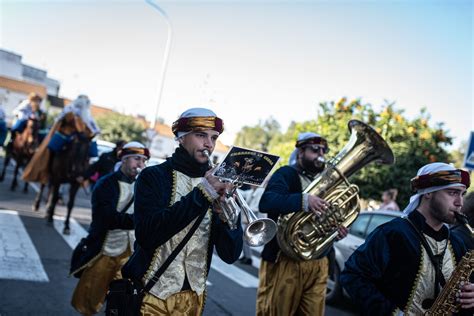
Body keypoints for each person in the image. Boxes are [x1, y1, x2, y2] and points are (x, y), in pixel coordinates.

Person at [122, 108, 243, 315]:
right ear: (181, 137)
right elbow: (147, 235)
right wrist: (202, 193)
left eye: (214, 137)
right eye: (200, 135)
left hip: (194, 298)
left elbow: (230, 255)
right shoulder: (153, 176)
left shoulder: (219, 183)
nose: (209, 145)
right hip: (151, 295)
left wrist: (227, 217)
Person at [340, 162, 474, 315]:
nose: (460, 203)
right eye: (452, 193)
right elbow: (352, 276)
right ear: (428, 192)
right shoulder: (393, 233)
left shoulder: (457, 243)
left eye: (462, 194)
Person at [256, 132, 347, 316]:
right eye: (314, 150)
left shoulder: (329, 182)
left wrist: (334, 230)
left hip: (318, 263)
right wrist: (303, 201)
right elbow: (267, 202)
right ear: (300, 152)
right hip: (284, 260)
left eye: (323, 150)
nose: (321, 154)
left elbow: (327, 217)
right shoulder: (286, 174)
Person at [70, 141, 149, 315]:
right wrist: (141, 221)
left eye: (144, 161)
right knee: (89, 299)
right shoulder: (106, 183)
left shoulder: (143, 185)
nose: (141, 165)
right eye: (137, 159)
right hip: (104, 251)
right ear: (124, 159)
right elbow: (106, 218)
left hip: (130, 255)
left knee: (123, 302)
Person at [23, 95, 99, 184]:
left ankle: (83, 175)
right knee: (51, 148)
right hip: (66, 134)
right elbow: (59, 120)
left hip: (80, 138)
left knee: (89, 152)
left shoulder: (87, 113)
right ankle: (47, 169)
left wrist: (91, 133)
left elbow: (93, 127)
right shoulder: (70, 109)